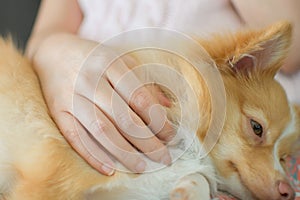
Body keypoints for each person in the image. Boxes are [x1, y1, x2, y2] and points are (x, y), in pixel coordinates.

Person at [26, 0, 300, 176]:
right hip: (87, 112)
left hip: (224, 147)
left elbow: (292, 46)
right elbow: (41, 40)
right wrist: (55, 53)